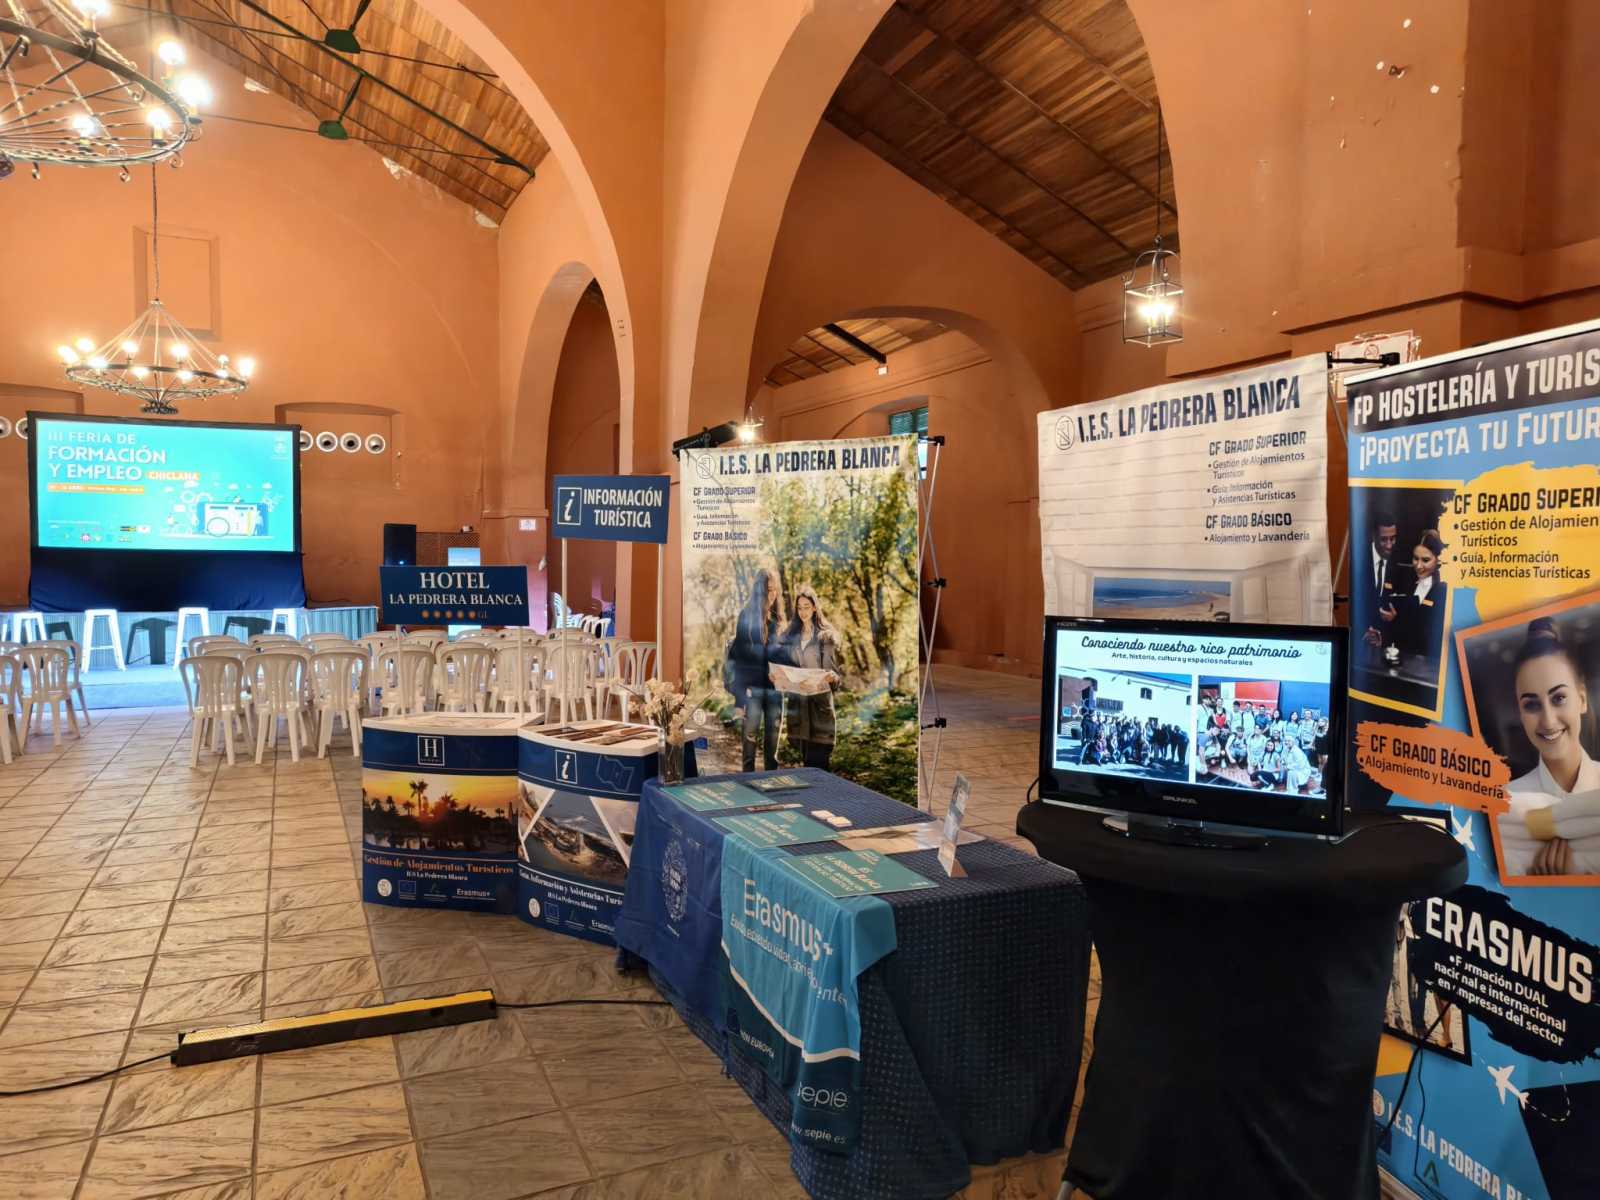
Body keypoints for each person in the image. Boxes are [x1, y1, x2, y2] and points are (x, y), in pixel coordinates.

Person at [1499, 617, 1600, 876]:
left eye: (1559, 698)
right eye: (1531, 704)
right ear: (1520, 714)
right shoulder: (1503, 806)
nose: (1548, 721)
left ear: (1582, 700)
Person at [776, 584, 842, 770]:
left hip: (820, 708)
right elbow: (784, 667)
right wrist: (778, 676)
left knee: (819, 764)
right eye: (799, 608)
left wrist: (832, 677)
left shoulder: (825, 637)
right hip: (799, 708)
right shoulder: (790, 637)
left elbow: (836, 677)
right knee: (807, 763)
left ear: (814, 607)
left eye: (807, 607)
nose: (803, 612)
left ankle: (824, 790)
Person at [730, 568, 785, 772]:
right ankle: (747, 783)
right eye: (768, 589)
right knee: (749, 742)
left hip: (775, 691)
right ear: (759, 590)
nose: (772, 594)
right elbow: (739, 658)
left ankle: (771, 783)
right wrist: (739, 699)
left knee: (773, 745)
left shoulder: (777, 620)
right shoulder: (746, 616)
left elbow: (781, 656)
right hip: (752, 691)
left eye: (774, 589)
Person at [1393, 530, 1449, 665]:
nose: (1418, 566)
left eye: (1425, 560)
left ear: (1439, 559)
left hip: (1431, 663)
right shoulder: (1406, 583)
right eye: (1415, 558)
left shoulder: (1445, 589)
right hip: (1404, 658)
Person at [1360, 509, 1402, 654]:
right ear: (1373, 536)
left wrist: (1393, 616)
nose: (1389, 545)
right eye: (1384, 539)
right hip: (1357, 642)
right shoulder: (1358, 559)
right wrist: (1363, 632)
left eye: (1393, 539)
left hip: (1382, 645)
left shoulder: (1397, 562)